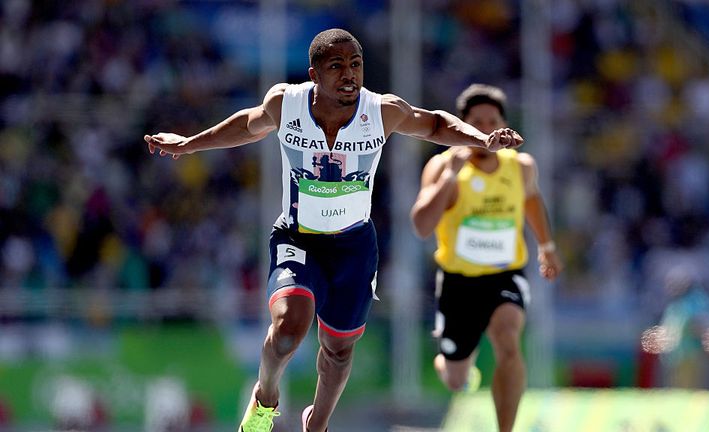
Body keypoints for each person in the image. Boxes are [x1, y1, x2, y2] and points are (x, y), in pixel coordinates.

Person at [144, 29, 522, 432]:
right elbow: (246, 124)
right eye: (336, 66)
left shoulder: (381, 111)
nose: (349, 75)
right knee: (289, 328)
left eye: (355, 64)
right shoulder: (285, 103)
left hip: (354, 247)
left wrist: (482, 139)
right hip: (297, 237)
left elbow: (434, 124)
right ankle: (265, 397)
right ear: (314, 74)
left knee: (339, 350)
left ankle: (316, 425)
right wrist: (188, 144)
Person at [410, 84, 561, 432]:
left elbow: (532, 201)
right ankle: (453, 366)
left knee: (509, 339)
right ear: (463, 126)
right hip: (458, 281)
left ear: (505, 125)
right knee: (455, 378)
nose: (487, 130)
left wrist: (547, 247)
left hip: (504, 273)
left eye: (493, 121)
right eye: (477, 123)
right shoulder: (443, 166)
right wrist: (450, 177)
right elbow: (421, 225)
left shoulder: (520, 166)